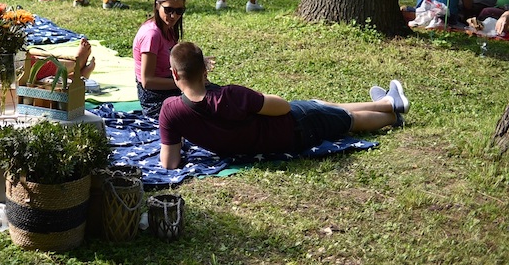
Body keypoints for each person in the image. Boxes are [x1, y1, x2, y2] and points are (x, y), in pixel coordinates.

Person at [158, 41, 407, 170]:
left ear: (175, 74)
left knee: (321, 105)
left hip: (276, 138)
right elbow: (283, 107)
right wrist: (257, 96)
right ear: (205, 69)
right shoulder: (231, 95)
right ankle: (392, 114)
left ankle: (385, 102)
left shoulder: (170, 111)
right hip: (293, 130)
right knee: (345, 119)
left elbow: (169, 163)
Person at [133, 0, 187, 118]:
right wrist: (184, 84)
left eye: (179, 11)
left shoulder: (168, 27)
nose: (173, 15)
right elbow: (147, 81)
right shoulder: (152, 35)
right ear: (157, 6)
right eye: (168, 10)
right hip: (153, 97)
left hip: (169, 85)